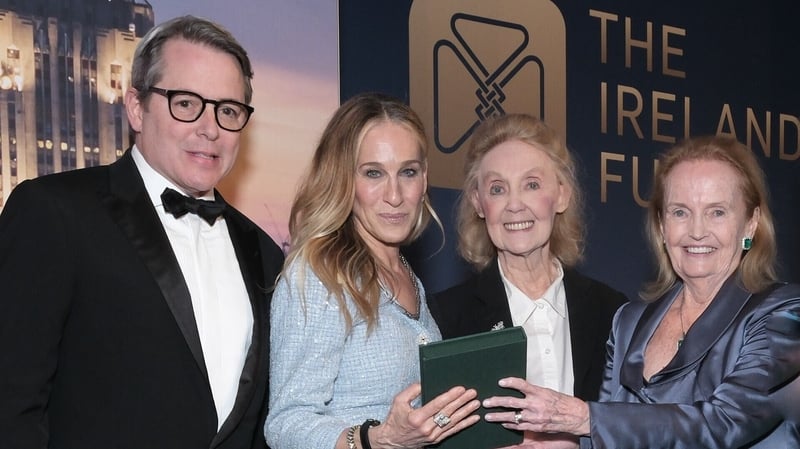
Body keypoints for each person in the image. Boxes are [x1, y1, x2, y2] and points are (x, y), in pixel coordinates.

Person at [0, 16, 284, 449]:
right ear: (136, 107)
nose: (210, 128)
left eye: (228, 110)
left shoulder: (264, 252)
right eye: (186, 103)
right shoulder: (53, 212)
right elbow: (10, 403)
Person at [480, 135, 800, 448]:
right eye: (680, 212)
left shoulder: (783, 314)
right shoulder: (629, 322)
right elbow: (610, 435)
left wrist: (583, 418)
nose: (697, 231)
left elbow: (724, 423)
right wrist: (568, 444)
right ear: (661, 225)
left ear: (751, 222)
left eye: (717, 212)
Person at [265, 93, 480, 449]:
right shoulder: (320, 276)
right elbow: (286, 424)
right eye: (373, 173)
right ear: (343, 179)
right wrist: (375, 440)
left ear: (424, 178)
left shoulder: (408, 275)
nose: (395, 195)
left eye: (408, 172)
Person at [429, 114, 627, 403]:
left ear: (561, 195)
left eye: (531, 185)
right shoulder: (446, 319)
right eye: (498, 189)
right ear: (478, 203)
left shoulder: (613, 313)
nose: (514, 204)